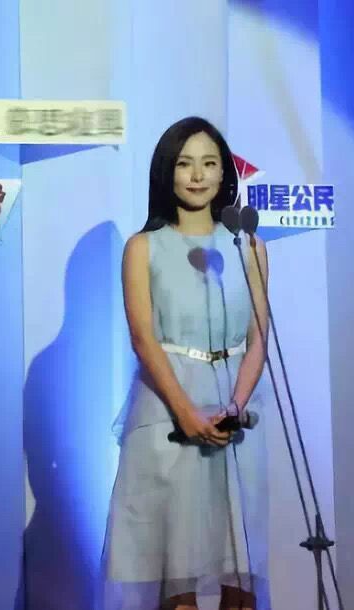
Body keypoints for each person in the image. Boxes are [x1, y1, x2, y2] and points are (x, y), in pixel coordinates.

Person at [102, 116, 271, 610]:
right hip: (167, 410)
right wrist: (187, 414)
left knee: (240, 571)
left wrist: (235, 407)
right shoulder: (143, 247)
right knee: (177, 576)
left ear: (224, 174)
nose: (198, 175)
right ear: (166, 172)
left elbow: (258, 336)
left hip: (236, 414)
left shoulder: (249, 246)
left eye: (209, 163)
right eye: (185, 164)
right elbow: (143, 338)